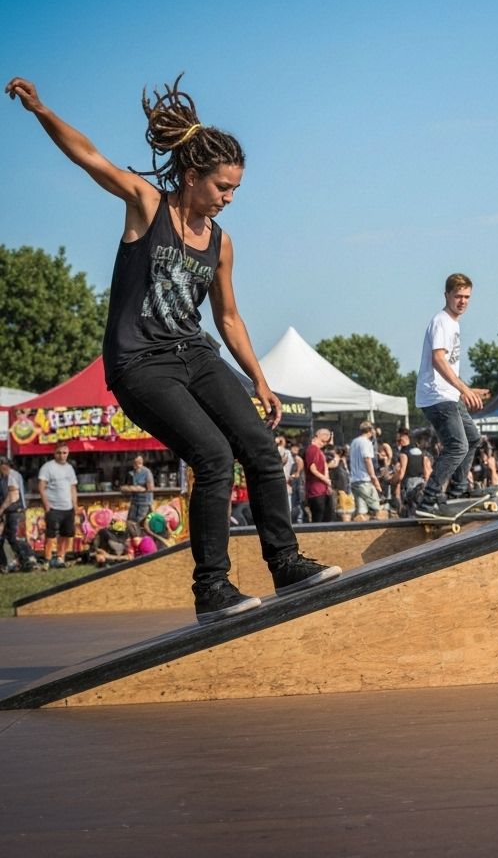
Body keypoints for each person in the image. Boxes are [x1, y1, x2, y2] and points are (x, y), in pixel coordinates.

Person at [6, 75, 340, 623]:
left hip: (195, 351)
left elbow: (227, 317)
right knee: (212, 455)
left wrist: (257, 378)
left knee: (257, 446)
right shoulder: (147, 205)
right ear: (192, 177)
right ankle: (212, 587)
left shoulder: (221, 242)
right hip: (139, 363)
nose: (229, 199)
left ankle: (285, 563)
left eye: (235, 189)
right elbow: (89, 156)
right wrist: (42, 109)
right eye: (222, 188)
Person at [414, 273, 484, 511]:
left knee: (473, 439)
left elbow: (449, 366)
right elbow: (438, 359)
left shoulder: (454, 323)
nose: (462, 301)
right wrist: (463, 388)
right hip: (436, 396)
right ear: (447, 296)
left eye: (467, 297)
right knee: (457, 446)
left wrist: (466, 388)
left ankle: (457, 488)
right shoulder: (442, 321)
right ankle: (429, 497)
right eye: (458, 296)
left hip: (448, 394)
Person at [37, 444, 79, 568]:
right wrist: (46, 505)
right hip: (54, 507)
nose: (62, 455)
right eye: (59, 453)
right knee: (51, 535)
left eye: (64, 453)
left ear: (68, 453)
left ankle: (60, 558)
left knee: (66, 534)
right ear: (54, 453)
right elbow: (41, 487)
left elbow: (73, 487)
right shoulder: (48, 467)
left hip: (68, 507)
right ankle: (47, 560)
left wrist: (75, 504)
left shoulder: (69, 468)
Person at [0, 457, 37, 572]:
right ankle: (11, 562)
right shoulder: (6, 476)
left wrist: (1, 509)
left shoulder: (12, 475)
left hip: (15, 511)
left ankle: (27, 560)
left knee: (14, 538)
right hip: (11, 512)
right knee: (9, 538)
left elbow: (13, 496)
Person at [349, 421, 383, 519]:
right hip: (365, 480)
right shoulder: (366, 443)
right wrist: (374, 478)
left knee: (361, 512)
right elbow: (367, 459)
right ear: (370, 430)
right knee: (377, 508)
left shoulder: (354, 442)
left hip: (355, 480)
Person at [304, 428, 335, 523]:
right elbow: (312, 469)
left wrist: (327, 483)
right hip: (316, 490)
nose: (325, 443)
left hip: (322, 490)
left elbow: (325, 467)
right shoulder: (312, 449)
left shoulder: (319, 451)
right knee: (319, 518)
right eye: (324, 441)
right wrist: (326, 480)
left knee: (326, 517)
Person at [121, 453, 155, 526]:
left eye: (139, 461)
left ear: (142, 462)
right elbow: (123, 487)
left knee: (139, 522)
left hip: (144, 502)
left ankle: (138, 536)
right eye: (135, 462)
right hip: (134, 501)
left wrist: (140, 488)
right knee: (130, 521)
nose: (137, 464)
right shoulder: (132, 473)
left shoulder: (146, 472)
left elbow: (151, 488)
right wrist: (134, 488)